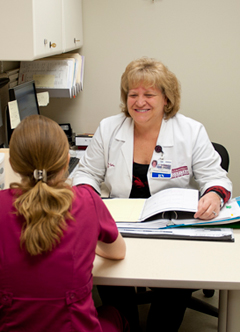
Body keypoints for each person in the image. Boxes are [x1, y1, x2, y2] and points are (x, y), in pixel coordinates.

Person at [72, 57, 232, 331]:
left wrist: (215, 195)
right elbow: (85, 173)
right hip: (121, 226)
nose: (139, 101)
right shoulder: (109, 129)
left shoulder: (190, 131)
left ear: (166, 100)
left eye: (149, 94)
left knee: (176, 284)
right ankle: (125, 323)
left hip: (173, 228)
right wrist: (88, 197)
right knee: (110, 277)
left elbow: (216, 177)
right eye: (133, 94)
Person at [0, 114, 129, 332]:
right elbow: (118, 252)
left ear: (12, 163)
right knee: (114, 314)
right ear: (67, 161)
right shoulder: (87, 202)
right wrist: (86, 244)